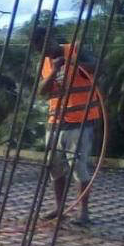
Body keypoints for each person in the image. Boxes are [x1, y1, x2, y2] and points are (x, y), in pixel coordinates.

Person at [32, 26, 100, 225]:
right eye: (38, 48)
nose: (43, 51)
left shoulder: (75, 50)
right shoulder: (45, 63)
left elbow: (97, 66)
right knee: (54, 167)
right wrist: (54, 70)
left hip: (80, 120)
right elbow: (42, 92)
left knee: (78, 166)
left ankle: (83, 212)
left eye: (44, 45)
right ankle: (60, 207)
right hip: (55, 122)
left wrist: (74, 63)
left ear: (50, 38)